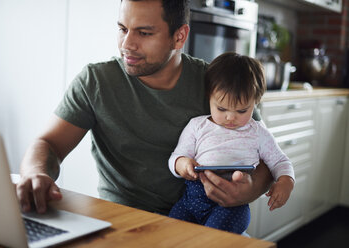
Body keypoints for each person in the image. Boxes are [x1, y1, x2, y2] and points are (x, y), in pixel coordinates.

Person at [16, 0, 273, 216]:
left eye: (144, 33)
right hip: (120, 219)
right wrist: (35, 173)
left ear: (179, 36)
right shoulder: (96, 81)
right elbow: (48, 144)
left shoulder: (215, 83)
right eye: (122, 29)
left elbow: (268, 159)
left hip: (200, 219)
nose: (127, 44)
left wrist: (248, 190)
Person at [168, 52, 295, 233]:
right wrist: (182, 164)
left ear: (255, 102)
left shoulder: (258, 133)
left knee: (213, 239)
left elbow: (280, 161)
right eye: (221, 108)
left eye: (242, 110)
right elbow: (176, 157)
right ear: (209, 96)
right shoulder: (197, 126)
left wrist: (286, 181)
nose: (230, 117)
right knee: (170, 232)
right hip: (191, 202)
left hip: (231, 208)